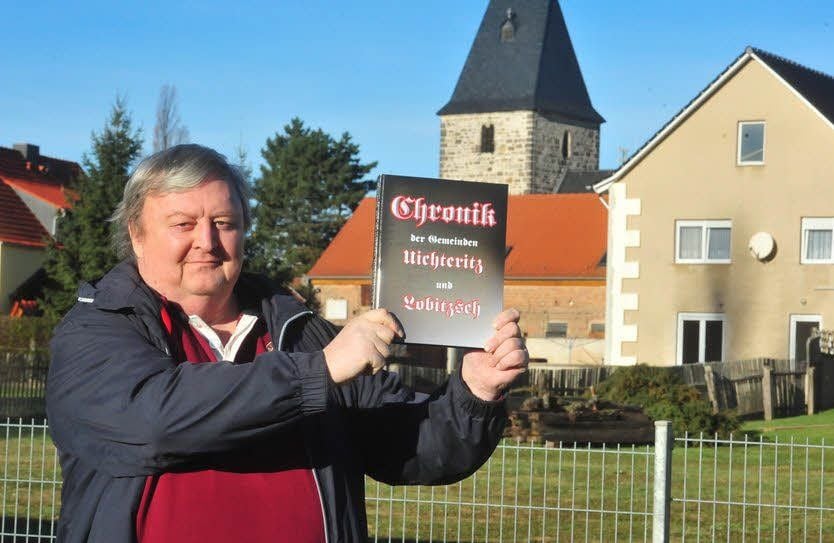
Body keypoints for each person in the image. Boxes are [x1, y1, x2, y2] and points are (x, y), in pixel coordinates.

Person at [46, 144, 528, 543]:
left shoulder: (300, 331)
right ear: (137, 234)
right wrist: (315, 373)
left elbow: (409, 447)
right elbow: (154, 422)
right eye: (183, 224)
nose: (207, 241)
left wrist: (474, 392)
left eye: (224, 222)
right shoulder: (98, 329)